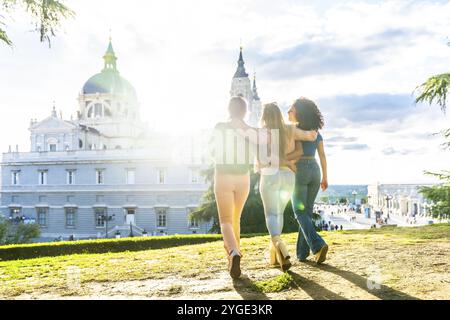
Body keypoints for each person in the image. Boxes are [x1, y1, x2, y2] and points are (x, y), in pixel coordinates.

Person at [238, 102, 317, 271]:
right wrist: (311, 121)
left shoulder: (261, 133)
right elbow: (311, 136)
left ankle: (279, 245)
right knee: (279, 213)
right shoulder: (290, 130)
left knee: (271, 214)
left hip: (269, 175)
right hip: (288, 176)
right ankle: (276, 254)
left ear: (264, 116)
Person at [212, 96, 254, 279]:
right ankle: (234, 258)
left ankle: (233, 253)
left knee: (226, 221)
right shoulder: (249, 130)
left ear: (229, 110)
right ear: (245, 111)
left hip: (223, 176)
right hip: (244, 177)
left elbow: (214, 152)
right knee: (236, 219)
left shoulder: (220, 127)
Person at [289, 97, 329, 264]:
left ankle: (318, 244)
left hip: (301, 170)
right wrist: (325, 177)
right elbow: (322, 155)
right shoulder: (315, 132)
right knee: (306, 213)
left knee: (299, 212)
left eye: (291, 109)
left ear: (299, 112)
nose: (288, 112)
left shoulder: (294, 130)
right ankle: (302, 253)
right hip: (315, 170)